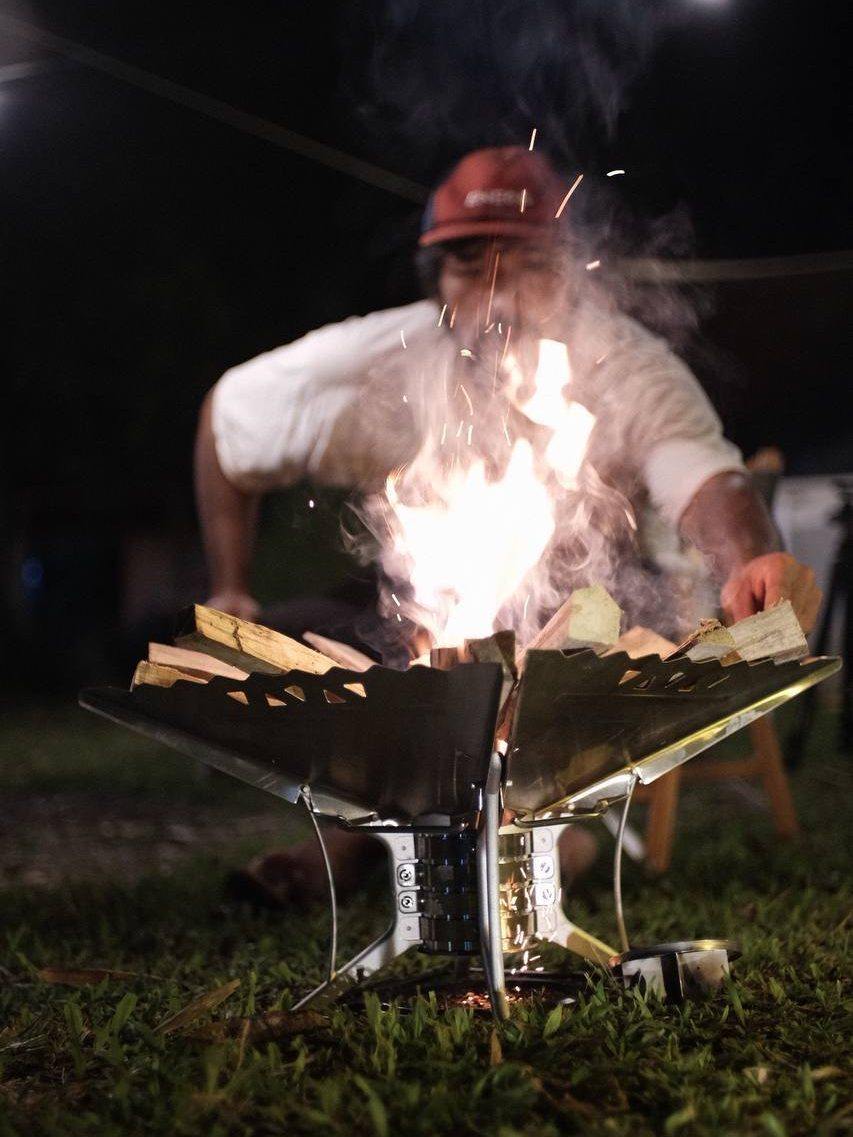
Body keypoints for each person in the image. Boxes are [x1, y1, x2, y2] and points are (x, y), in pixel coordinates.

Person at [194, 147, 821, 904]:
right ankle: (467, 840)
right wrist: (229, 585)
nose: (495, 295)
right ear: (437, 280)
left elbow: (707, 475)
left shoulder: (622, 365)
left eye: (522, 264)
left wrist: (751, 557)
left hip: (574, 616)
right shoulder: (377, 359)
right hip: (411, 619)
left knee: (526, 671)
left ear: (565, 270)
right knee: (273, 650)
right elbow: (224, 421)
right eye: (467, 264)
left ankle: (402, 846)